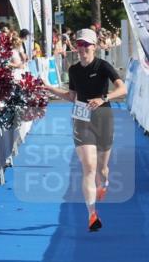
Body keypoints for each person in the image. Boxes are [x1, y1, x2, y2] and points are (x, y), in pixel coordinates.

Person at [44, 28, 127, 232]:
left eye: (86, 45)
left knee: (102, 169)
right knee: (89, 166)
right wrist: (49, 88)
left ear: (94, 47)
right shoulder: (73, 70)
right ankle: (92, 214)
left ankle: (105, 182)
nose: (82, 49)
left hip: (103, 118)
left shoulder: (103, 66)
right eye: (79, 45)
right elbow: (72, 96)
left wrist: (103, 98)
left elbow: (122, 89)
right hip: (81, 119)